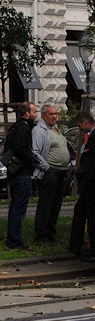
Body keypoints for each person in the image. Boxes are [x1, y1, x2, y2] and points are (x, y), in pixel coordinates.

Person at [32, 103, 72, 242]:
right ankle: (41, 234)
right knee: (46, 204)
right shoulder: (39, 130)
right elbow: (35, 152)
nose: (55, 117)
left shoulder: (56, 129)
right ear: (43, 115)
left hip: (62, 171)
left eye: (56, 114)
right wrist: (47, 168)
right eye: (51, 114)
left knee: (56, 204)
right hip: (51, 172)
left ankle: (51, 232)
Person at [3, 101, 38, 249]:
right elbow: (21, 150)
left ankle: (13, 237)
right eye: (34, 112)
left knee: (15, 207)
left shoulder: (15, 127)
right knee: (19, 208)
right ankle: (14, 240)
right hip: (21, 173)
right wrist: (31, 160)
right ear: (27, 113)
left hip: (17, 172)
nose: (36, 115)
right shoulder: (23, 129)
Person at [69, 111, 95, 260]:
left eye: (80, 126)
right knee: (81, 212)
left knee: (91, 218)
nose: (80, 129)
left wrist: (86, 177)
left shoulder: (93, 137)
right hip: (88, 185)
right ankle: (75, 246)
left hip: (91, 184)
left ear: (85, 122)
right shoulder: (90, 136)